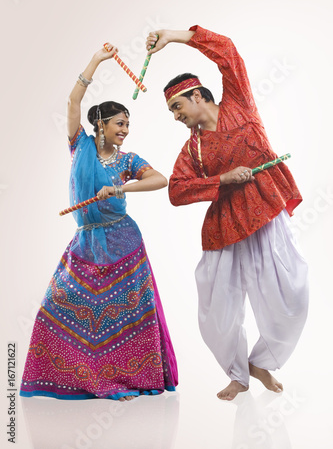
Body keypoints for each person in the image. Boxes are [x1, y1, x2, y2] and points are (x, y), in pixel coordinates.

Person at [146, 26, 308, 401]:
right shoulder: (193, 150)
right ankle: (237, 374)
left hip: (265, 212)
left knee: (294, 291)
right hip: (226, 225)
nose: (175, 116)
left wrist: (174, 35)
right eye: (171, 111)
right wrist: (222, 179)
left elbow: (228, 51)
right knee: (218, 305)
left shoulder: (239, 103)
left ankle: (262, 362)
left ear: (198, 95)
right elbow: (175, 190)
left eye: (177, 107)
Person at [20, 42, 178, 401]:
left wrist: (122, 187)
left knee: (128, 314)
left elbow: (160, 180)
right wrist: (96, 60)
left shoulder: (128, 160)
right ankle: (81, 376)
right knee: (59, 303)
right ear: (101, 124)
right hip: (86, 240)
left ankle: (125, 377)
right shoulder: (80, 146)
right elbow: (73, 103)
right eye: (120, 124)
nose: (125, 130)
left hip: (124, 243)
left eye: (128, 125)